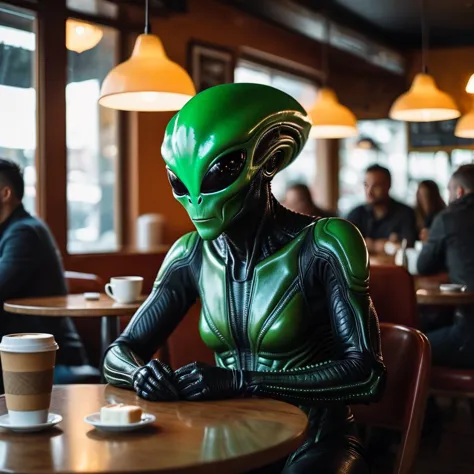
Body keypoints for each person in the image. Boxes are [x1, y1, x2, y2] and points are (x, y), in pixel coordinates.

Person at [103, 84, 385, 473]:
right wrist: (142, 374)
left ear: (268, 161)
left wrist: (239, 381)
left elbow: (366, 374)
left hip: (317, 440)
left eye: (220, 172)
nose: (198, 201)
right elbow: (119, 352)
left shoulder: (325, 244)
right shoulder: (190, 254)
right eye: (181, 184)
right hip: (229, 438)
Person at [0, 159, 97, 386]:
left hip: (48, 359)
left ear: (5, 193)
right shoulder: (10, 231)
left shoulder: (24, 232)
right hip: (21, 352)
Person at [417, 164, 474, 368]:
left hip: (468, 336)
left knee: (408, 348)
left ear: (458, 191)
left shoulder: (449, 218)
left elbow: (423, 265)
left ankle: (424, 400)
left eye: (449, 190)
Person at [347, 164, 417, 253]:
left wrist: (370, 244)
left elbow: (407, 247)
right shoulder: (356, 213)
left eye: (376, 186)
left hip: (393, 266)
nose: (369, 192)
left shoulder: (405, 213)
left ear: (388, 186)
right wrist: (386, 245)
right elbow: (348, 245)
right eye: (366, 185)